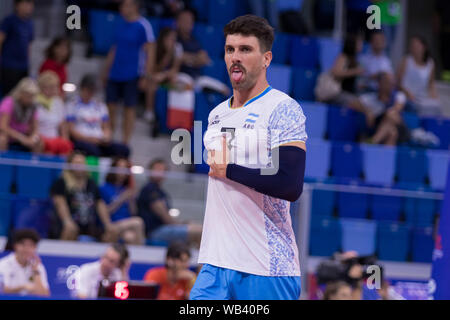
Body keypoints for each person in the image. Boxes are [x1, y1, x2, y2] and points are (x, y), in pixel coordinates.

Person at [190, 15, 307, 300]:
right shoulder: (217, 114)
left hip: (266, 266)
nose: (235, 57)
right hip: (216, 264)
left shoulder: (283, 108)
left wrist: (229, 170)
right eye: (230, 49)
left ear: (266, 58)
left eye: (245, 49)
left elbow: (290, 185)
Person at [102, 0, 156, 143]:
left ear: (135, 7)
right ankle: (110, 139)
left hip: (132, 74)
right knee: (110, 107)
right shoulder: (119, 24)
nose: (122, 8)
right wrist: (106, 70)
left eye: (125, 5)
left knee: (129, 109)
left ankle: (125, 142)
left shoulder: (143, 25)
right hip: (115, 73)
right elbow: (114, 49)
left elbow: (150, 51)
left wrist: (146, 75)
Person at [50, 151, 120, 242]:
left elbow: (100, 204)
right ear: (70, 165)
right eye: (77, 163)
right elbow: (60, 204)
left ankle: (108, 255)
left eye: (82, 163)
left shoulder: (91, 183)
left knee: (112, 231)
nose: (80, 166)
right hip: (68, 224)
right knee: (70, 230)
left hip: (90, 225)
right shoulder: (61, 182)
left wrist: (108, 224)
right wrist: (67, 221)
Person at [137, 159, 202, 246]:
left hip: (164, 228)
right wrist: (180, 225)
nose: (159, 172)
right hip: (154, 231)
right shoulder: (150, 190)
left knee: (196, 227)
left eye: (162, 170)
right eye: (157, 169)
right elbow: (165, 216)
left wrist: (183, 223)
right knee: (198, 231)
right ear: (150, 170)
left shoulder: (161, 192)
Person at [66, 74, 130, 158]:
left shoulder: (100, 105)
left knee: (124, 150)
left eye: (93, 90)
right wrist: (89, 139)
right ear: (82, 88)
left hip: (99, 141)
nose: (90, 93)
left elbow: (106, 127)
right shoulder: (72, 105)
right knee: (93, 151)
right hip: (81, 140)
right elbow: (71, 129)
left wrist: (106, 138)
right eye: (88, 89)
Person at [327, 33, 375, 127]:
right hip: (339, 93)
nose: (361, 44)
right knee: (366, 110)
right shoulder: (343, 56)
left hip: (351, 93)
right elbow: (336, 73)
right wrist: (355, 71)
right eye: (359, 42)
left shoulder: (356, 59)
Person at [100, 157, 145, 245]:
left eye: (125, 169)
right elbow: (105, 212)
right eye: (120, 167)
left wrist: (132, 199)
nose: (122, 171)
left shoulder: (126, 189)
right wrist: (121, 199)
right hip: (112, 224)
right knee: (138, 222)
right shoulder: (104, 188)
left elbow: (133, 212)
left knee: (130, 237)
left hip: (127, 226)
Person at [143, 27, 184, 122]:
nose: (173, 42)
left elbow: (175, 70)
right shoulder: (154, 47)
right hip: (151, 77)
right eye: (171, 39)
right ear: (163, 39)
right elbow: (150, 70)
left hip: (166, 77)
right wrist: (167, 56)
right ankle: (149, 111)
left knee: (177, 82)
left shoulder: (177, 48)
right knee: (151, 83)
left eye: (175, 39)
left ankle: (171, 116)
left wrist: (164, 75)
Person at [359, 72, 409, 146]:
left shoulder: (399, 96)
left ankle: (373, 141)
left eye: (392, 82)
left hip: (400, 127)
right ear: (379, 83)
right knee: (392, 133)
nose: (390, 85)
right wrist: (367, 112)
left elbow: (396, 109)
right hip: (379, 128)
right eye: (387, 82)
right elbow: (352, 102)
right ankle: (378, 151)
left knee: (390, 114)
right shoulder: (370, 98)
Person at [397, 35, 442, 116]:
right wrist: (407, 93)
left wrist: (434, 98)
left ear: (424, 47)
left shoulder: (431, 63)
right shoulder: (406, 60)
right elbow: (398, 82)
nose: (414, 47)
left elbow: (431, 84)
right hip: (405, 98)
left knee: (436, 108)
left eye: (417, 45)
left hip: (422, 99)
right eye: (412, 45)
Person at [0, 228, 50, 297]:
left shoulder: (38, 266)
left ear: (35, 248)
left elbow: (44, 294)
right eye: (23, 245)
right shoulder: (3, 264)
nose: (27, 249)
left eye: (31, 245)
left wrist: (35, 271)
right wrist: (22, 287)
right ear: (15, 246)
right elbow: (2, 290)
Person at [0, 0, 34, 96]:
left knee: (22, 95)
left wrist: (27, 62)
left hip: (23, 67)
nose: (28, 6)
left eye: (30, 4)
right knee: (9, 95)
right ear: (17, 5)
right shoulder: (9, 21)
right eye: (25, 3)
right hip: (9, 66)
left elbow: (28, 45)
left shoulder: (30, 24)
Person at [0, 77, 43, 153]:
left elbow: (35, 128)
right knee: (1, 139)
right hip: (9, 136)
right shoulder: (9, 102)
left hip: (24, 136)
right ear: (20, 93)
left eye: (33, 96)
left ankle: (33, 164)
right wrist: (21, 138)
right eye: (28, 96)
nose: (31, 99)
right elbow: (3, 127)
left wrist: (33, 138)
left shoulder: (33, 106)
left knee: (39, 142)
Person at [36, 71, 73, 155]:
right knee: (45, 147)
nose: (55, 90)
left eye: (56, 87)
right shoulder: (35, 102)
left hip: (54, 138)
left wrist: (65, 140)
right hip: (40, 138)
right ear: (42, 87)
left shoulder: (58, 102)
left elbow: (63, 125)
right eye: (51, 87)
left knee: (65, 146)